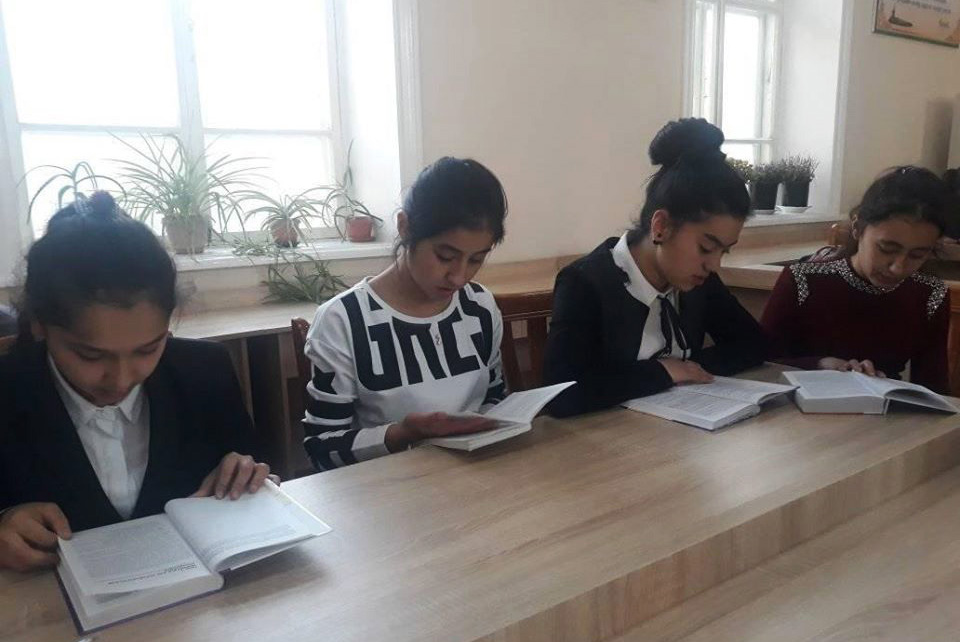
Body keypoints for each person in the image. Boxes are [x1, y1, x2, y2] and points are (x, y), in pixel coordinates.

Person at [0, 192, 273, 572]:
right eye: (91, 356)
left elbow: (252, 469)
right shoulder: (10, 390)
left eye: (147, 349)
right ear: (39, 326)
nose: (122, 379)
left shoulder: (204, 372)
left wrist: (246, 471)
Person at [544, 118, 766, 417]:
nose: (714, 264)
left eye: (724, 251)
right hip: (609, 440)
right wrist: (663, 372)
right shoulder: (586, 282)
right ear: (661, 226)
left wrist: (689, 369)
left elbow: (753, 344)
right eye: (706, 247)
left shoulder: (698, 280)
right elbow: (562, 395)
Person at [302, 157, 508, 470]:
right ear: (405, 227)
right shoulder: (343, 320)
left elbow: (495, 398)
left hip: (474, 475)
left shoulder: (479, 306)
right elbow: (321, 449)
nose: (459, 277)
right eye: (445, 256)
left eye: (476, 259)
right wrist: (402, 434)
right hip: (387, 486)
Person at [761, 166, 956, 393]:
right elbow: (761, 363)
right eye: (887, 249)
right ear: (857, 228)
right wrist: (819, 365)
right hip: (798, 406)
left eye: (917, 255)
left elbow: (934, 387)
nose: (898, 267)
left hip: (885, 410)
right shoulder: (803, 280)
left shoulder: (929, 294)